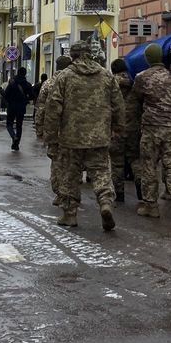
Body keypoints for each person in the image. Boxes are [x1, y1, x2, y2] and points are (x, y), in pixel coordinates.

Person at [42, 42, 123, 229]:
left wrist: (51, 137)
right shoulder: (106, 76)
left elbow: (53, 108)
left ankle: (70, 215)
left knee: (70, 174)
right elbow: (118, 104)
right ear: (90, 55)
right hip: (99, 136)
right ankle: (105, 203)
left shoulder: (64, 77)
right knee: (101, 171)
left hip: (71, 137)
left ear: (73, 55)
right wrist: (118, 127)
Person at [133, 43, 171, 221]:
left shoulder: (142, 77)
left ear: (147, 59)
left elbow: (136, 98)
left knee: (149, 165)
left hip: (151, 127)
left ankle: (151, 205)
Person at [37, 56, 74, 200]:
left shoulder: (49, 83)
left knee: (57, 162)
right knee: (72, 161)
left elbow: (40, 107)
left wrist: (40, 128)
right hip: (72, 128)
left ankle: (60, 194)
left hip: (54, 128)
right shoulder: (74, 81)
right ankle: (71, 191)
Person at [109, 58, 142, 203]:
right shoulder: (134, 82)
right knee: (135, 158)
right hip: (133, 127)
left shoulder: (110, 84)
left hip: (116, 128)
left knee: (117, 162)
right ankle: (141, 183)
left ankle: (119, 192)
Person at [3, 68, 34, 151]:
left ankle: (13, 137)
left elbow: (5, 95)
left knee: (9, 124)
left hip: (11, 107)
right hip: (21, 108)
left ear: (17, 73)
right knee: (19, 125)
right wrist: (25, 99)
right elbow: (32, 96)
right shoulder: (27, 84)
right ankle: (16, 145)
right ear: (25, 74)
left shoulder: (12, 83)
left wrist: (9, 99)